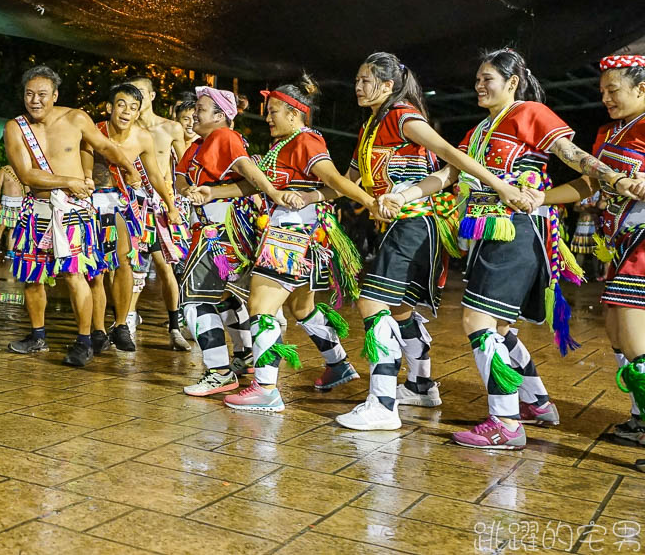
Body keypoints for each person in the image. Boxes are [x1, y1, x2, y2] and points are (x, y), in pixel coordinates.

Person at [392, 48, 639, 449]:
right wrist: (406, 194)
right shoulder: (477, 131)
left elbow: (574, 157)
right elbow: (449, 173)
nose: (478, 85)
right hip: (486, 233)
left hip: (517, 230)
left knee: (478, 323)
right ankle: (537, 403)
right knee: (501, 328)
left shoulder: (531, 113)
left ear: (512, 82)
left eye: (487, 78)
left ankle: (505, 422)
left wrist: (612, 177)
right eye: (476, 79)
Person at [332, 53, 540, 431]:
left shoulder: (402, 115)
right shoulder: (371, 127)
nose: (358, 87)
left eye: (366, 80)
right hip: (402, 224)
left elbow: (449, 155)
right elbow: (347, 180)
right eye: (357, 80)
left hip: (416, 223)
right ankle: (421, 385)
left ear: (388, 85)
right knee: (398, 310)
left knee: (371, 302)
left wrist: (501, 186)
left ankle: (382, 404)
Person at [193, 78, 381, 412]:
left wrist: (370, 202)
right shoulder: (287, 144)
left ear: (295, 114)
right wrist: (215, 192)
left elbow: (336, 180)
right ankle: (338, 365)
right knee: (301, 309)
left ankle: (265, 387)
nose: (268, 118)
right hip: (297, 234)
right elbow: (255, 188)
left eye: (274, 112)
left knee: (261, 307)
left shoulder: (306, 141)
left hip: (290, 237)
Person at [541, 55, 645, 455]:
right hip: (621, 242)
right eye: (601, 91)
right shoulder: (608, 133)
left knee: (636, 337)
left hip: (643, 239)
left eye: (613, 89)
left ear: (640, 89)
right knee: (618, 333)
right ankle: (639, 416)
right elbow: (589, 184)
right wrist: (539, 198)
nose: (605, 97)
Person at [5, 65, 136, 367]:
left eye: (41, 94)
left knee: (76, 275)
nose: (34, 101)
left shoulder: (75, 118)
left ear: (55, 95)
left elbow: (105, 146)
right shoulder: (16, 127)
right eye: (29, 94)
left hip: (73, 212)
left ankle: (84, 341)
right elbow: (27, 174)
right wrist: (69, 181)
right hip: (37, 210)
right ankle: (37, 336)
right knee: (32, 277)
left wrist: (129, 169)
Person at [175, 87, 294, 397]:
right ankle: (245, 356)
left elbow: (247, 170)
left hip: (221, 232)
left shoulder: (223, 137)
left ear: (219, 116)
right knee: (225, 296)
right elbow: (179, 179)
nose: (194, 113)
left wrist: (273, 192)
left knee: (193, 301)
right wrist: (197, 189)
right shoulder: (200, 144)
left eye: (200, 109)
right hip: (211, 229)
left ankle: (219, 371)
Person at [84, 83, 181, 351]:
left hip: (122, 204)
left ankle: (121, 325)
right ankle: (98, 330)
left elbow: (155, 176)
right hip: (92, 203)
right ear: (109, 107)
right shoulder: (94, 131)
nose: (126, 111)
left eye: (133, 107)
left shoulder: (142, 138)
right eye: (121, 105)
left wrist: (171, 206)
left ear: (138, 113)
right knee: (97, 270)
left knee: (125, 262)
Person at [127, 76, 192, 349]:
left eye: (142, 93)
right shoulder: (124, 129)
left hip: (163, 207)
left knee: (167, 268)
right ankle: (127, 319)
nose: (138, 99)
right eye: (133, 94)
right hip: (132, 204)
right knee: (131, 266)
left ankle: (175, 326)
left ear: (152, 96)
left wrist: (179, 201)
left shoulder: (171, 128)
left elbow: (186, 166)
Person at [0, 147, 23, 259]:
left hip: (19, 204)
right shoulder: (4, 170)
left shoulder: (22, 171)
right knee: (1, 226)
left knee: (13, 228)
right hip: (5, 203)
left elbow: (27, 189)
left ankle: (10, 250)